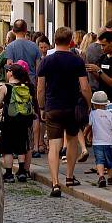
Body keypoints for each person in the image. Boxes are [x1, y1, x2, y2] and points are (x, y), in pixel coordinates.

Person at [37, 27, 92, 197]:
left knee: (54, 145)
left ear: (54, 40)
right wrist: (89, 104)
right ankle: (69, 176)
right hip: (72, 107)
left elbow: (40, 89)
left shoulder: (46, 61)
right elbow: (84, 87)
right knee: (72, 140)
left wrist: (41, 107)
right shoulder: (77, 61)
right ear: (71, 42)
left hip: (53, 106)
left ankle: (55, 183)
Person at [86, 31, 112, 174]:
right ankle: (103, 164)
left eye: (104, 45)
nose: (102, 48)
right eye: (100, 45)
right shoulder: (103, 58)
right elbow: (102, 80)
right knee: (102, 135)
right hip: (102, 101)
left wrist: (99, 72)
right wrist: (94, 73)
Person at [0, 63, 35, 183]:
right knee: (21, 146)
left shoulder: (5, 87)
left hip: (9, 121)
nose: (7, 73)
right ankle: (22, 172)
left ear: (11, 73)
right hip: (24, 121)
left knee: (7, 147)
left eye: (8, 71)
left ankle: (8, 174)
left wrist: (2, 104)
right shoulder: (28, 87)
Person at [85, 91, 112, 187]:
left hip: (97, 143)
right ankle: (110, 177)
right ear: (106, 104)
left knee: (99, 160)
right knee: (109, 160)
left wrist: (85, 135)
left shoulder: (92, 114)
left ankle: (101, 176)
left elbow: (89, 126)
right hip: (110, 142)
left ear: (94, 104)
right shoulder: (111, 115)